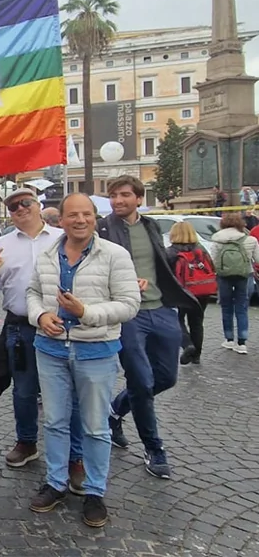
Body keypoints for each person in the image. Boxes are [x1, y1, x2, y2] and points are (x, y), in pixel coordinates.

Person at [26, 193, 140, 529]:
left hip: (96, 351)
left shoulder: (115, 255)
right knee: (55, 422)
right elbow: (33, 293)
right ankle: (56, 482)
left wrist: (86, 312)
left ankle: (94, 491)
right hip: (50, 349)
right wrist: (40, 315)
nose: (80, 220)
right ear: (61, 219)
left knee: (95, 426)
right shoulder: (47, 255)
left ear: (94, 217)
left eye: (86, 214)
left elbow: (129, 304)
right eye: (73, 215)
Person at [0, 189, 86, 483]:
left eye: (26, 203)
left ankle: (75, 456)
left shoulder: (62, 238)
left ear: (38, 206)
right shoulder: (1, 244)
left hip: (63, 325)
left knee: (69, 392)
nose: (21, 208)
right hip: (21, 325)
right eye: (14, 206)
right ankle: (26, 442)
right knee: (24, 390)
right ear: (10, 214)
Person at [98, 176, 198, 479]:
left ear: (139, 199)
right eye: (114, 195)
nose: (118, 200)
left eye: (124, 195)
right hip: (129, 314)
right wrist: (124, 282)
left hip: (162, 309)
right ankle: (154, 448)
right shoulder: (103, 228)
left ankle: (115, 411)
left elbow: (160, 264)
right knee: (141, 381)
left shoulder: (152, 226)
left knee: (166, 377)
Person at [166, 222, 216, 365]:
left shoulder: (170, 252)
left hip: (180, 291)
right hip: (202, 290)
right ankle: (196, 355)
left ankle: (187, 344)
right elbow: (212, 267)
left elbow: (166, 274)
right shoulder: (201, 250)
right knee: (197, 321)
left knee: (177, 319)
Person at [210, 212, 259, 354]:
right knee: (242, 307)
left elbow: (213, 260)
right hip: (244, 275)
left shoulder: (217, 240)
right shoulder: (250, 240)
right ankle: (242, 342)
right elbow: (257, 259)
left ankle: (229, 339)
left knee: (226, 307)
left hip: (223, 275)